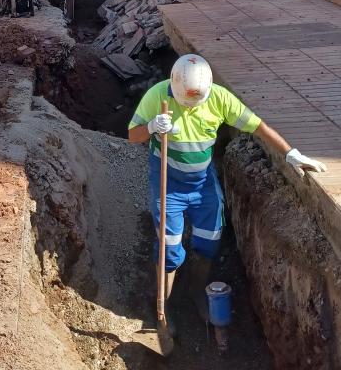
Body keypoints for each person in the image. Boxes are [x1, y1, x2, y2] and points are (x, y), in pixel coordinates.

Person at [128, 54, 326, 329]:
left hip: (201, 181)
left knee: (209, 239)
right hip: (168, 182)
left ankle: (197, 290)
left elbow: (259, 126)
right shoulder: (158, 95)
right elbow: (132, 135)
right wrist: (150, 127)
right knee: (170, 249)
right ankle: (164, 306)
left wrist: (290, 153)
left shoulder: (219, 98)